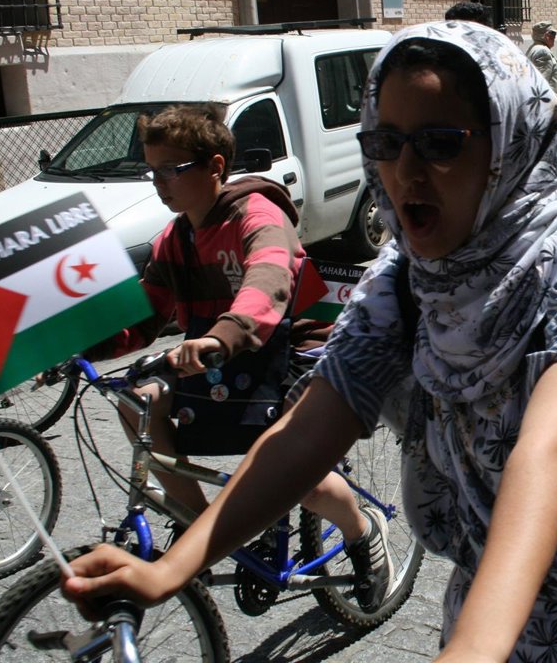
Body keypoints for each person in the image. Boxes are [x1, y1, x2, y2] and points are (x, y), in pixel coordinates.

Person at [62, 22, 557, 662]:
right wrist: (172, 567)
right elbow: (308, 430)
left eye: (440, 142)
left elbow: (551, 448)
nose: (406, 170)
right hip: (500, 625)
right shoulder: (405, 281)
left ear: (508, 144)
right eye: (386, 142)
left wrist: (473, 649)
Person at [77, 105, 392, 611]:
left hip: (290, 350)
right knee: (137, 403)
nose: (158, 183)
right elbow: (145, 316)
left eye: (170, 169)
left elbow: (269, 279)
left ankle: (362, 534)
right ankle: (201, 530)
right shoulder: (174, 239)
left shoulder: (257, 216)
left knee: (298, 474)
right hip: (221, 359)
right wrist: (82, 345)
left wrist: (223, 336)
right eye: (151, 170)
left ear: (216, 167)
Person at [526, 20, 557, 100]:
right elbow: (540, 86)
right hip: (549, 104)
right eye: (553, 33)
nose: (555, 37)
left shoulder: (533, 49)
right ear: (546, 36)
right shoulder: (543, 52)